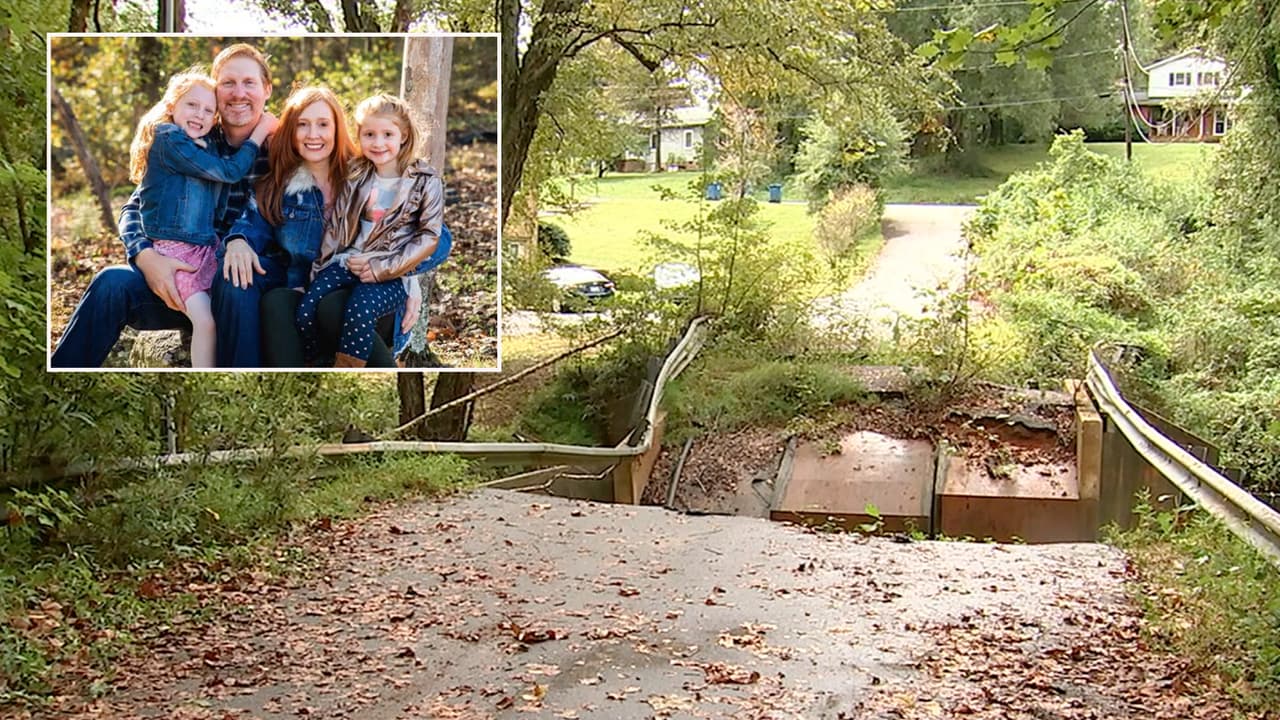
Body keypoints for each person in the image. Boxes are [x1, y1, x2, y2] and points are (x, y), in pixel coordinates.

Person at [52, 43, 274, 368]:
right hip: (180, 276)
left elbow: (279, 214)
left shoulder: (281, 146)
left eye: (249, 83)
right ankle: (57, 383)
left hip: (238, 280)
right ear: (215, 94)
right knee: (110, 283)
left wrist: (240, 239)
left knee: (235, 282)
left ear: (267, 89)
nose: (238, 93)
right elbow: (137, 205)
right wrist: (145, 256)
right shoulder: (191, 140)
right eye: (228, 83)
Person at [226, 86, 430, 367]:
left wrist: (406, 270)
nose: (313, 135)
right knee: (276, 302)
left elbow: (436, 235)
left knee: (334, 306)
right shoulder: (279, 188)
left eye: (323, 124)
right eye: (303, 125)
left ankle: (383, 372)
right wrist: (237, 240)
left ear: (337, 129)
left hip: (369, 299)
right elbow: (250, 223)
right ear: (291, 132)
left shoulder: (369, 173)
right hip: (310, 299)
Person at [125, 69, 276, 367]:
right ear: (172, 106)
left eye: (208, 110)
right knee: (205, 320)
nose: (200, 114)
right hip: (178, 251)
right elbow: (230, 172)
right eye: (192, 106)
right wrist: (260, 133)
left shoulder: (204, 142)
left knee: (226, 299)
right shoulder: (171, 139)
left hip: (208, 247)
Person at [295, 94, 448, 368]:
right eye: (369, 134)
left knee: (360, 309)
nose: (378, 143)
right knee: (307, 308)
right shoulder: (356, 175)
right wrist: (321, 269)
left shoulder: (426, 181)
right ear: (360, 136)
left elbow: (430, 236)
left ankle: (350, 369)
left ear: (403, 136)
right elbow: (336, 227)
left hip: (390, 272)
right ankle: (318, 359)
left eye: (387, 134)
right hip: (348, 262)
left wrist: (384, 268)